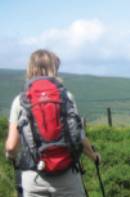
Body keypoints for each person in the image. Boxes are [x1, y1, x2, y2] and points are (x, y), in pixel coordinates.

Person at [5, 49, 100, 196]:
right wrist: (95, 157)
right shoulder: (66, 97)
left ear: (30, 68)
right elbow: (79, 137)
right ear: (54, 68)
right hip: (67, 177)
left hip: (34, 178)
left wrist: (11, 157)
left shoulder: (20, 100)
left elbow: (11, 146)